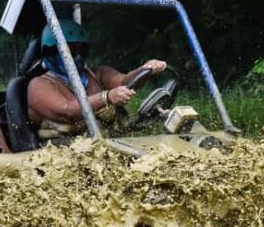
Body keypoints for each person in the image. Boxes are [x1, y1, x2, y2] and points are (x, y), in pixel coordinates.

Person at [27, 19, 167, 140]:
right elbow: (66, 111)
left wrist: (145, 69)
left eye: (82, 51)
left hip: (108, 144)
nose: (78, 57)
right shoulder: (39, 85)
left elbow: (124, 82)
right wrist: (106, 97)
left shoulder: (97, 74)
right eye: (71, 51)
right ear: (51, 53)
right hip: (62, 153)